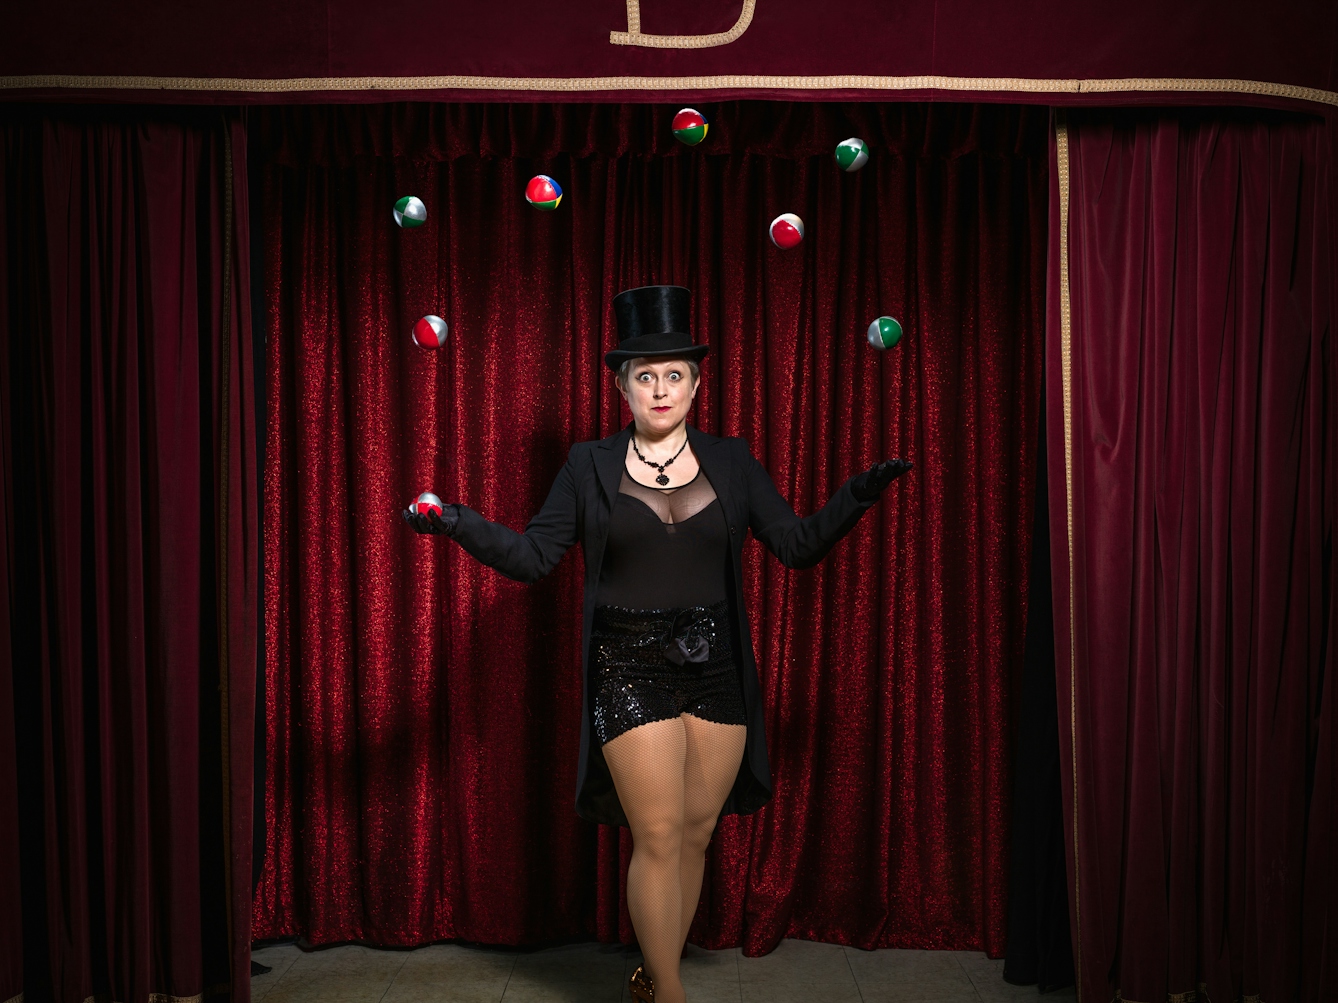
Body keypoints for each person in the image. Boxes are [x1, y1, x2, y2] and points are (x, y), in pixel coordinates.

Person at [404, 285, 912, 1003]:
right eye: (645, 375)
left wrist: (855, 495)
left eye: (674, 373)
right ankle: (669, 995)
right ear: (622, 386)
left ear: (698, 382)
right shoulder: (588, 465)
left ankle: (652, 975)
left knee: (699, 831)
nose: (661, 387)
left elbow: (795, 545)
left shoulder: (732, 462)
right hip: (626, 660)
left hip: (718, 664)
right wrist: (455, 521)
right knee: (661, 830)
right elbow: (531, 556)